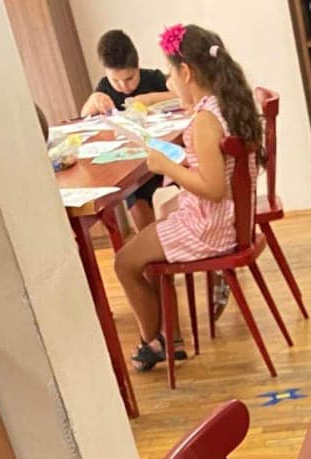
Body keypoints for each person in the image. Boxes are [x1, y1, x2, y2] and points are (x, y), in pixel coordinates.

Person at [114, 23, 261, 372]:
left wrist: (166, 165)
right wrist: (182, 161)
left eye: (170, 74)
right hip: (229, 219)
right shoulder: (225, 105)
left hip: (210, 226)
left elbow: (213, 188)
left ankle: (153, 341)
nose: (169, 81)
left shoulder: (206, 120)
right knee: (155, 229)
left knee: (124, 262)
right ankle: (168, 337)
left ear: (186, 72)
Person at [80, 29, 176, 231]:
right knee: (135, 193)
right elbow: (84, 117)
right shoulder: (105, 88)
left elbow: (179, 94)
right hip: (132, 160)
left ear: (137, 66)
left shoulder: (153, 78)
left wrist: (149, 99)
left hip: (166, 151)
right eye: (116, 80)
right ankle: (150, 238)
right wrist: (93, 101)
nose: (124, 86)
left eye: (130, 78)